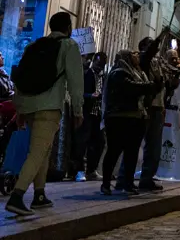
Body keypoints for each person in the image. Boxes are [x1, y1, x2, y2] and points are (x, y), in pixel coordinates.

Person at [6, 12, 84, 215]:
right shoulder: (69, 45)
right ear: (68, 27)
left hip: (30, 106)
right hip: (49, 107)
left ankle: (39, 195)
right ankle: (17, 195)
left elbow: (21, 79)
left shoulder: (34, 46)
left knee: (44, 150)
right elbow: (76, 82)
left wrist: (20, 109)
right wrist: (78, 110)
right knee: (38, 152)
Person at [101, 49, 159, 196]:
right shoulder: (118, 72)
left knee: (131, 152)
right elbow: (130, 88)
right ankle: (106, 183)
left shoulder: (139, 72)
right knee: (114, 151)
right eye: (133, 54)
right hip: (118, 117)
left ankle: (128, 183)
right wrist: (150, 86)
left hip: (135, 117)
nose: (137, 55)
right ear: (126, 57)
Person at [127, 31, 177, 192]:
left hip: (158, 107)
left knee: (154, 147)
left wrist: (172, 81)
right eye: (150, 45)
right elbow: (149, 54)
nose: (154, 49)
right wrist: (160, 37)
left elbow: (166, 85)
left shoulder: (159, 64)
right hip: (145, 107)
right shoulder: (143, 60)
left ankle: (146, 178)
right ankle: (125, 179)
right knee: (133, 145)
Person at [72, 52, 107, 182]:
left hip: (98, 113)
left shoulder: (103, 76)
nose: (100, 66)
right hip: (87, 112)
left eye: (103, 64)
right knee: (82, 142)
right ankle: (79, 170)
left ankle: (91, 169)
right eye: (98, 63)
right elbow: (79, 92)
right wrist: (89, 96)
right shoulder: (87, 74)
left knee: (99, 142)